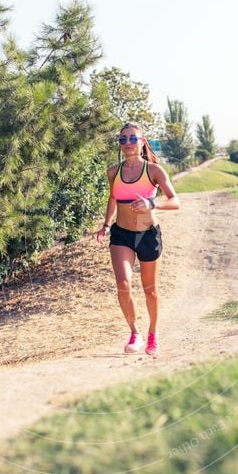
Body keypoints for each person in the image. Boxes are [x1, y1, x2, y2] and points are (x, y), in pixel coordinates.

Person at [95, 122, 180, 356]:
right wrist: (104, 225)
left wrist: (152, 203)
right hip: (121, 233)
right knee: (123, 284)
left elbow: (175, 201)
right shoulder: (114, 171)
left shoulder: (154, 171)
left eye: (133, 138)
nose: (128, 143)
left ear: (142, 142)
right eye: (123, 139)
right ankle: (135, 333)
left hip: (148, 234)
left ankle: (153, 333)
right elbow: (112, 199)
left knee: (150, 289)